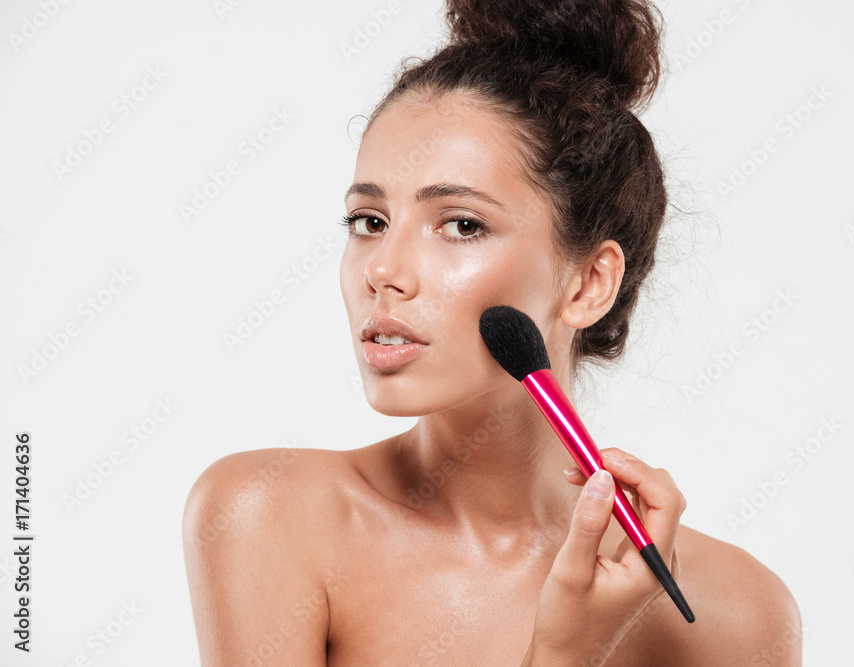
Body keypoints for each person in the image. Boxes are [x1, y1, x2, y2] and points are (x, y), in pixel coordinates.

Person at [182, 0, 802, 664]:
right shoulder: (266, 516)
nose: (384, 271)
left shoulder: (734, 612)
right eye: (369, 220)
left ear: (588, 283)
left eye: (461, 224)